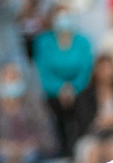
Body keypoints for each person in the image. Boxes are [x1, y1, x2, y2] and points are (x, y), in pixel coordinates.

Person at [0, 62, 58, 163]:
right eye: (6, 80)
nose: (10, 83)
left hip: (31, 154)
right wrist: (3, 146)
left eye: (13, 79)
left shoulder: (36, 106)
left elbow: (49, 138)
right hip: (2, 156)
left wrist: (27, 146)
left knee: (30, 161)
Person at [35, 11, 94, 154]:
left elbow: (86, 71)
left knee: (83, 103)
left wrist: (72, 88)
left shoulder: (83, 41)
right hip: (53, 92)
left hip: (79, 89)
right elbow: (44, 72)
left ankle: (80, 145)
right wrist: (60, 88)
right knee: (52, 108)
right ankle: (59, 147)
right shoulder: (44, 42)